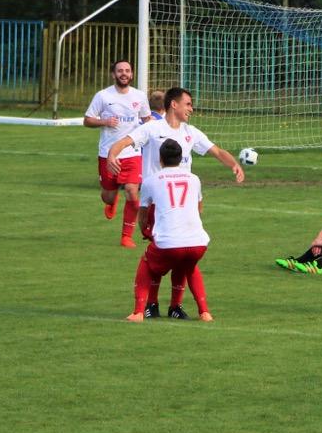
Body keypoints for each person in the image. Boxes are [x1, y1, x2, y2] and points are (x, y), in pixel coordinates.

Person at [108, 86, 243, 317]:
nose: (191, 109)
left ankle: (174, 307)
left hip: (182, 204)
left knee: (175, 257)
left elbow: (217, 151)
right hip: (156, 204)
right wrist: (112, 154)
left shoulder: (191, 132)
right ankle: (153, 305)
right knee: (164, 256)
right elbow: (125, 141)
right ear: (174, 104)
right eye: (188, 104)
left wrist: (234, 165)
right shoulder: (152, 128)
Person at [126, 139, 213, 323]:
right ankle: (204, 312)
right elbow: (199, 209)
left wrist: (146, 232)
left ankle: (139, 312)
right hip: (198, 241)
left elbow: (143, 214)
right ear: (181, 158)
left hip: (169, 242)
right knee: (188, 266)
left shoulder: (151, 181)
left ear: (160, 158)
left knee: (147, 264)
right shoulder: (194, 179)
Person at [83, 60, 152, 248]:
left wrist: (153, 127)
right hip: (108, 154)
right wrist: (104, 122)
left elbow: (146, 118)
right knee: (108, 196)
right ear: (113, 74)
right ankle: (111, 201)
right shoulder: (103, 96)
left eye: (127, 71)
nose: (124, 74)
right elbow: (87, 120)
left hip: (132, 152)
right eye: (120, 71)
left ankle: (126, 237)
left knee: (132, 191)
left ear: (132, 74)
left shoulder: (139, 96)